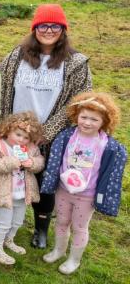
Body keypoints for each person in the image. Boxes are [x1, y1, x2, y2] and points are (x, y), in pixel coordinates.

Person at [0, 4, 92, 249]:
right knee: (11, 177)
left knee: (45, 184)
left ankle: (41, 229)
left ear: (63, 30)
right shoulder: (16, 56)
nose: (48, 30)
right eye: (43, 25)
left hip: (48, 137)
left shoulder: (75, 63)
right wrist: (5, 128)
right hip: (14, 134)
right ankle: (5, 222)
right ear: (34, 28)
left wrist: (46, 132)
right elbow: (1, 88)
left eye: (54, 26)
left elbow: (78, 102)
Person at [40, 92, 126, 274]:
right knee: (62, 221)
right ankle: (59, 250)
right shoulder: (67, 137)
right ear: (76, 115)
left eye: (94, 119)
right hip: (63, 190)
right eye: (84, 117)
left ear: (105, 121)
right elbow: (56, 160)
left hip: (86, 196)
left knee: (79, 227)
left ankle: (74, 259)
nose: (87, 122)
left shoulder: (106, 145)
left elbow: (110, 172)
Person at [0, 112, 45, 265]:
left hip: (21, 193)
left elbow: (40, 161)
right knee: (4, 223)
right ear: (8, 129)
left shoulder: (29, 148)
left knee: (17, 222)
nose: (21, 140)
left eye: (26, 137)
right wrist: (10, 162)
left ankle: (8, 240)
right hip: (3, 192)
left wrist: (32, 162)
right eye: (18, 135)